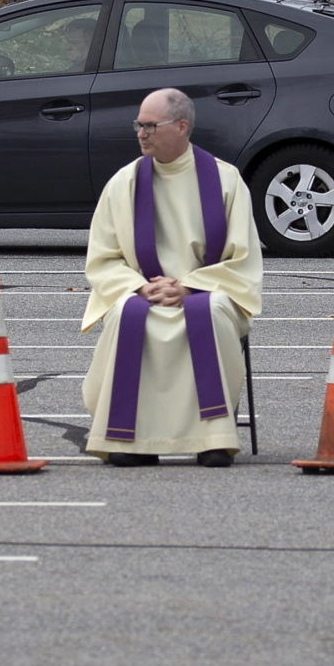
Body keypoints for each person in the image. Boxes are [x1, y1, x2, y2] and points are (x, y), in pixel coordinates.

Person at [79, 88, 264, 467]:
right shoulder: (123, 183)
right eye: (139, 125)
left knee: (209, 310)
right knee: (127, 313)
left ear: (181, 126)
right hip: (142, 290)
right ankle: (127, 439)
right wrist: (140, 286)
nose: (141, 133)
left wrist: (189, 286)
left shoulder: (225, 181)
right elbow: (102, 258)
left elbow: (243, 259)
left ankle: (212, 439)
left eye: (150, 125)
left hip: (208, 289)